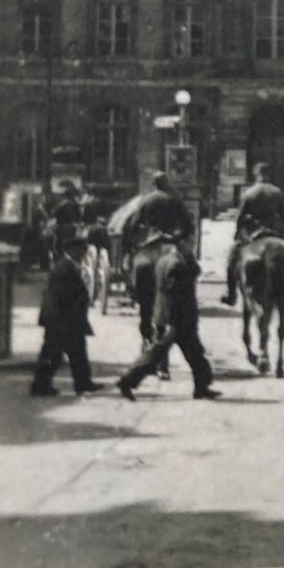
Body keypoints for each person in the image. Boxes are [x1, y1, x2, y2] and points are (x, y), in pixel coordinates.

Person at [117, 172, 220, 401]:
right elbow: (186, 223)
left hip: (150, 248)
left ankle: (201, 386)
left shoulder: (145, 200)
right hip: (177, 315)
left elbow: (133, 225)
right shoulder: (174, 204)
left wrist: (130, 248)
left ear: (154, 184)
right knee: (169, 350)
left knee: (190, 352)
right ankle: (129, 380)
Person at [30, 231, 104, 397]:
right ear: (72, 250)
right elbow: (62, 296)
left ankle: (82, 383)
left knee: (76, 352)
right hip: (62, 319)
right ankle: (41, 385)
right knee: (53, 353)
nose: (84, 254)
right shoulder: (64, 267)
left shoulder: (67, 265)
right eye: (82, 250)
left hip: (67, 319)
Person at [221, 163, 284, 306]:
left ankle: (231, 293)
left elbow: (240, 217)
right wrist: (283, 233)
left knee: (232, 259)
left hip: (254, 233)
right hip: (275, 232)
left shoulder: (249, 193)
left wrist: (238, 234)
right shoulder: (277, 192)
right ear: (269, 174)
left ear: (256, 174)